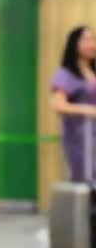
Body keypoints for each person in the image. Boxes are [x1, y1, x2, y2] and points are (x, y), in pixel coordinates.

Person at [52, 26, 96, 181]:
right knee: (86, 179)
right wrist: (88, 110)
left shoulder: (92, 73)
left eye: (93, 39)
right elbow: (58, 105)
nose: (92, 44)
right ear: (74, 44)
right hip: (80, 139)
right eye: (87, 40)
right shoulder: (65, 74)